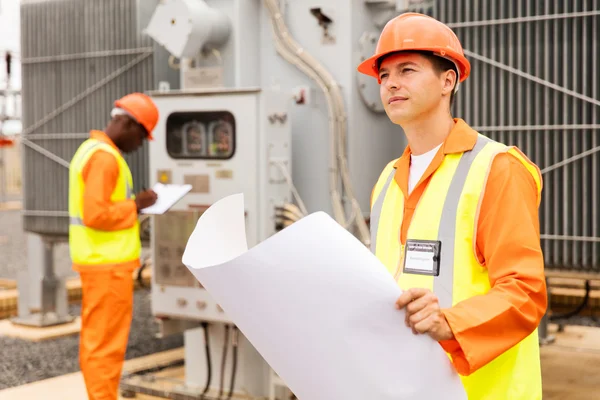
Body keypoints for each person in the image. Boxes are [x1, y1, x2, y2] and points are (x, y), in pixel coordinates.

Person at [358, 13, 547, 399]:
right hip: (407, 387)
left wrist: (450, 322)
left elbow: (525, 292)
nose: (391, 83)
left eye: (407, 70)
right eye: (384, 75)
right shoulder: (387, 179)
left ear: (449, 80)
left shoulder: (497, 168)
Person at [68, 92, 159, 400]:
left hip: (102, 265)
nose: (141, 144)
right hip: (106, 267)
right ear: (127, 124)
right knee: (105, 346)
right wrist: (137, 205)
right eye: (143, 135)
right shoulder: (105, 158)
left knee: (100, 342)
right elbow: (95, 215)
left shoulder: (91, 151)